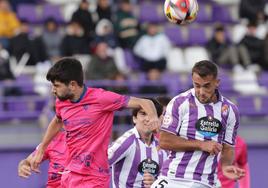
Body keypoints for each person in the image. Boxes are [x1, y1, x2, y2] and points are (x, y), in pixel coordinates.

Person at [30, 57, 159, 188]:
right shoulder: (61, 102)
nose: (53, 90)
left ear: (73, 85)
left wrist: (153, 117)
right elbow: (57, 121)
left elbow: (144, 102)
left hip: (94, 178)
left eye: (57, 85)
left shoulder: (101, 98)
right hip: (70, 174)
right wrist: (42, 148)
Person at [151, 60, 245, 188]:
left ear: (217, 83)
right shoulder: (179, 103)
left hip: (204, 182)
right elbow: (165, 141)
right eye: (197, 85)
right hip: (172, 178)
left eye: (206, 86)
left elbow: (228, 148)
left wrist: (226, 165)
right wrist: (201, 145)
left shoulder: (230, 110)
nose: (201, 91)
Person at [108, 98, 168, 188]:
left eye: (152, 115)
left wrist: (156, 183)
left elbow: (168, 180)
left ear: (159, 119)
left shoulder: (162, 148)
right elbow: (99, 164)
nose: (148, 119)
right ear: (134, 118)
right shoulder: (126, 141)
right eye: (143, 114)